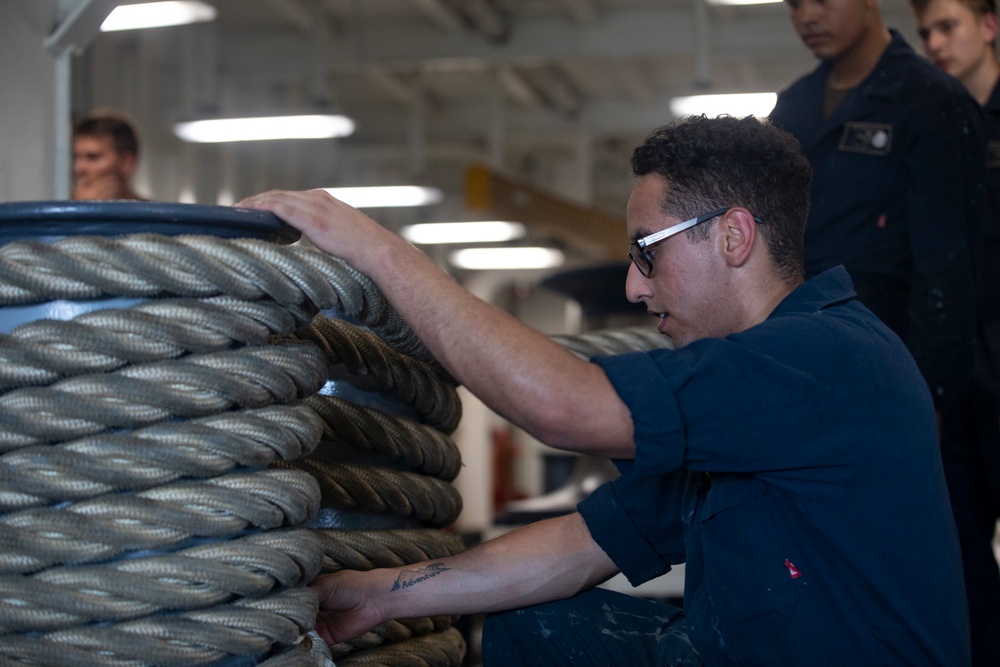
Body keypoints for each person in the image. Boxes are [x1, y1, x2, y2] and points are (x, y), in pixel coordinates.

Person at [238, 115, 970, 665]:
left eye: (646, 252)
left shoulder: (820, 359)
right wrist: (383, 592)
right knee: (541, 628)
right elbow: (583, 543)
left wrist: (381, 250)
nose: (632, 284)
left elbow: (563, 405)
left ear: (733, 237)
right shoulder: (752, 390)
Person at [769, 0, 987, 422]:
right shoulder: (792, 110)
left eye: (822, 1)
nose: (808, 17)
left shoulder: (932, 103)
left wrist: (928, 399)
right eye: (795, 4)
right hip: (800, 366)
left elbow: (949, 273)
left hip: (891, 367)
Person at [910, 1, 1000, 664]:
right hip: (949, 375)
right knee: (961, 552)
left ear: (990, 25)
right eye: (925, 33)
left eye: (948, 27)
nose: (935, 43)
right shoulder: (927, 130)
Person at [71, 111, 145, 201]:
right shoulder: (57, 212)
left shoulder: (155, 213)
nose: (79, 168)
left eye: (92, 157)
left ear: (126, 163)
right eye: (76, 157)